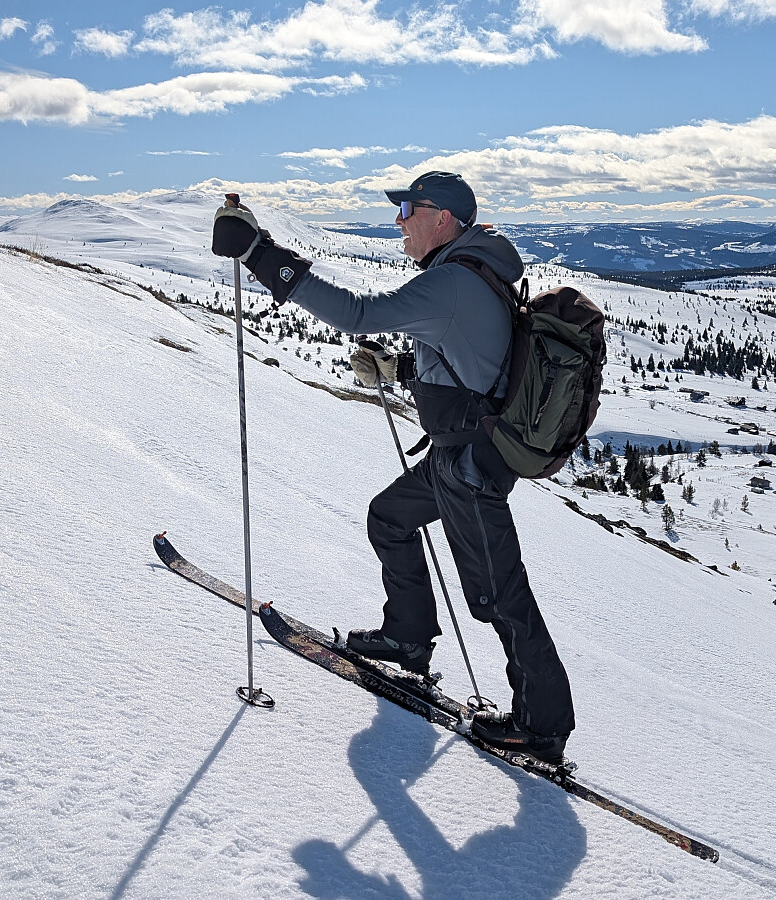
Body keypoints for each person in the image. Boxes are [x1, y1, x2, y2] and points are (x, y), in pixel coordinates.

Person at [210, 172, 575, 764]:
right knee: (389, 518)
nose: (399, 220)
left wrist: (258, 254)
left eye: (409, 208)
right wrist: (401, 369)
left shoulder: (453, 281)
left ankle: (543, 726)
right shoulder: (468, 271)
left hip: (469, 469)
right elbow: (471, 359)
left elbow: (357, 313)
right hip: (458, 456)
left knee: (499, 596)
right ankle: (408, 638)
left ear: (443, 218)